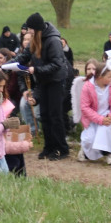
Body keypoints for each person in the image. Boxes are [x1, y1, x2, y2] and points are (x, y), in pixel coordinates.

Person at [19, 13, 70, 160]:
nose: (28, 32)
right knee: (44, 115)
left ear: (36, 28)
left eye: (30, 29)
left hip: (56, 81)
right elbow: (24, 56)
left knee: (55, 116)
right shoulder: (34, 41)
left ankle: (61, 148)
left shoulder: (53, 40)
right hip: (43, 82)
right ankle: (49, 147)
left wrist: (37, 70)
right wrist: (9, 66)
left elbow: (57, 64)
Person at [79, 61, 111, 162]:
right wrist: (99, 119)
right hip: (92, 118)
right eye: (109, 76)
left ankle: (108, 153)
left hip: (107, 116)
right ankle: (85, 151)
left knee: (106, 132)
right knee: (89, 139)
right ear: (99, 77)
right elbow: (85, 107)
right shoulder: (87, 87)